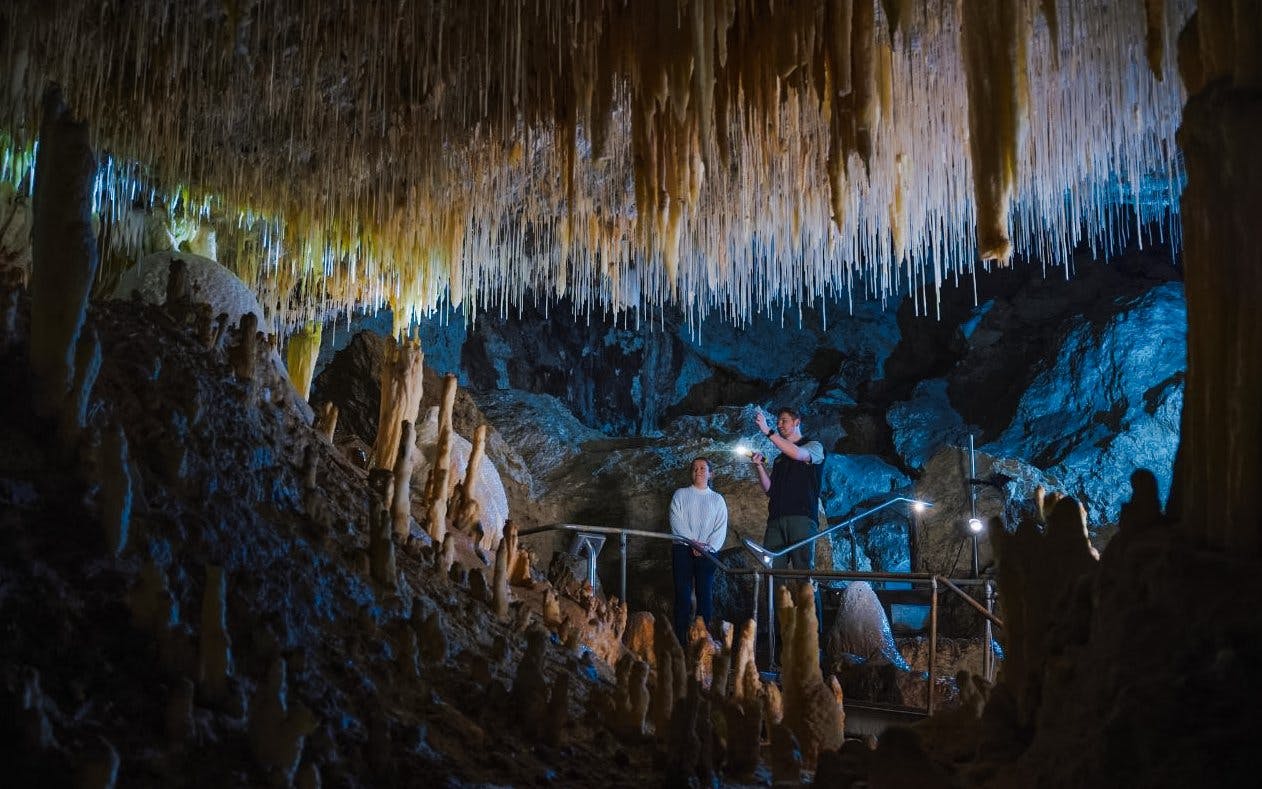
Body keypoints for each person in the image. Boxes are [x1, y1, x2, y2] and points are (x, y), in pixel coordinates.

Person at [750, 407, 825, 573]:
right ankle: (776, 600)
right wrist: (759, 467)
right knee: (772, 571)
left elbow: (798, 454)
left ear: (797, 422)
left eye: (784, 420)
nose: (779, 425)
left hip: (801, 518)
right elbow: (770, 490)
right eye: (777, 422)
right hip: (776, 519)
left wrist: (767, 431)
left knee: (803, 571)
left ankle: (808, 600)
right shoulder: (779, 459)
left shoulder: (814, 446)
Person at [668, 456, 728, 643]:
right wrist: (693, 543)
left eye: (703, 468)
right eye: (695, 468)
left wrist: (706, 547)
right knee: (682, 594)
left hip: (708, 552)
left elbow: (720, 527)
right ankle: (681, 640)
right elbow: (676, 520)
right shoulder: (680, 494)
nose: (698, 471)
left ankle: (702, 639)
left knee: (705, 594)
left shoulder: (717, 499)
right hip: (683, 549)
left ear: (711, 473)